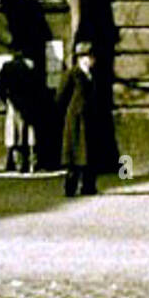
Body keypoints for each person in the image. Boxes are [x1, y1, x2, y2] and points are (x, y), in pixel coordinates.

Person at [58, 41, 101, 197]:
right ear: (82, 58)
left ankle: (89, 186)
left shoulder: (91, 75)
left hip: (89, 120)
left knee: (89, 154)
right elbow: (61, 97)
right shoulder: (72, 74)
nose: (92, 60)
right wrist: (70, 114)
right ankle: (71, 187)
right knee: (75, 156)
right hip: (76, 121)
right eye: (90, 57)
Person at [0, 52, 38, 173]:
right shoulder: (29, 66)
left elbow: (0, 89)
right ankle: (31, 163)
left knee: (14, 135)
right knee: (29, 134)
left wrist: (7, 100)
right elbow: (36, 86)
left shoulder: (7, 66)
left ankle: (17, 163)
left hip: (13, 103)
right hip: (28, 104)